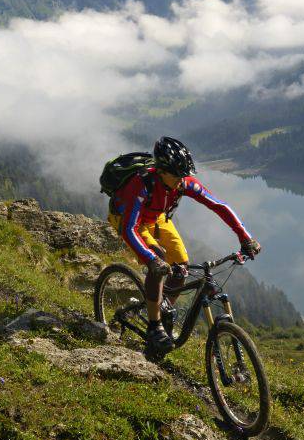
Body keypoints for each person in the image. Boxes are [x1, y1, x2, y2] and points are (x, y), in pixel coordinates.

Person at [108, 136, 261, 356]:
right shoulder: (141, 185)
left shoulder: (184, 181)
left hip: (157, 218)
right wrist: (153, 260)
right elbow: (129, 229)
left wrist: (245, 237)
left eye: (184, 174)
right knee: (158, 257)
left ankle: (162, 307)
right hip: (128, 219)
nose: (182, 180)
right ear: (162, 171)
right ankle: (154, 326)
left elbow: (219, 206)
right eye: (177, 175)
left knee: (181, 265)